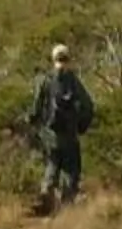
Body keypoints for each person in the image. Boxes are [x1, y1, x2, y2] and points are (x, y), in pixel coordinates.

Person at [27, 43, 92, 215]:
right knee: (72, 170)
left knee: (52, 165)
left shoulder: (45, 80)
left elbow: (36, 108)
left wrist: (34, 125)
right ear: (68, 58)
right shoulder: (74, 81)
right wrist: (82, 127)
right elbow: (88, 105)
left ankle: (46, 198)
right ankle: (66, 206)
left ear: (53, 58)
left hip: (50, 135)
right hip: (70, 134)